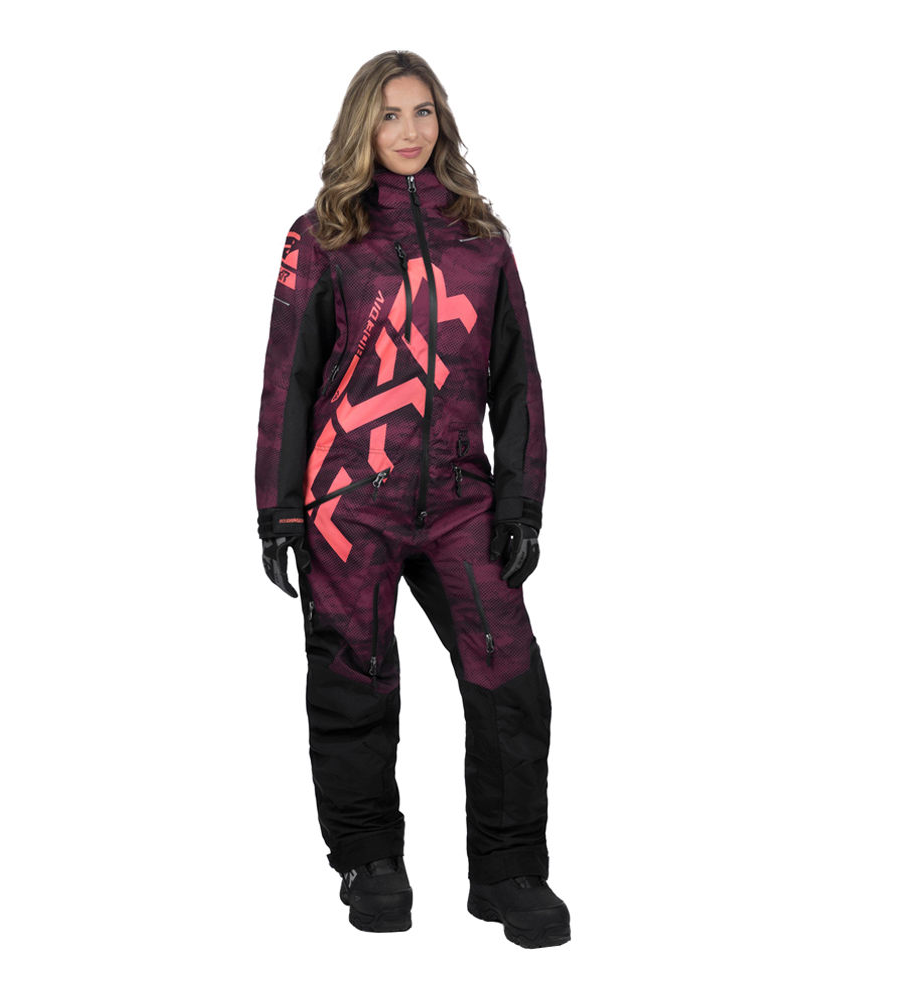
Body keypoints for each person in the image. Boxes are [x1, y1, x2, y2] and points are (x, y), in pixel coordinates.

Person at [255, 50, 569, 949]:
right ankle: (370, 861)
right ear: (364, 124)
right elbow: (289, 377)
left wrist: (521, 504)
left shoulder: (482, 240)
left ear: (443, 121)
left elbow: (517, 380)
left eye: (423, 111)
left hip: (463, 500)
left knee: (513, 683)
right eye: (390, 113)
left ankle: (509, 871)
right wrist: (279, 510)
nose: (408, 130)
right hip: (350, 502)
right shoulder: (322, 236)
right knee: (354, 684)